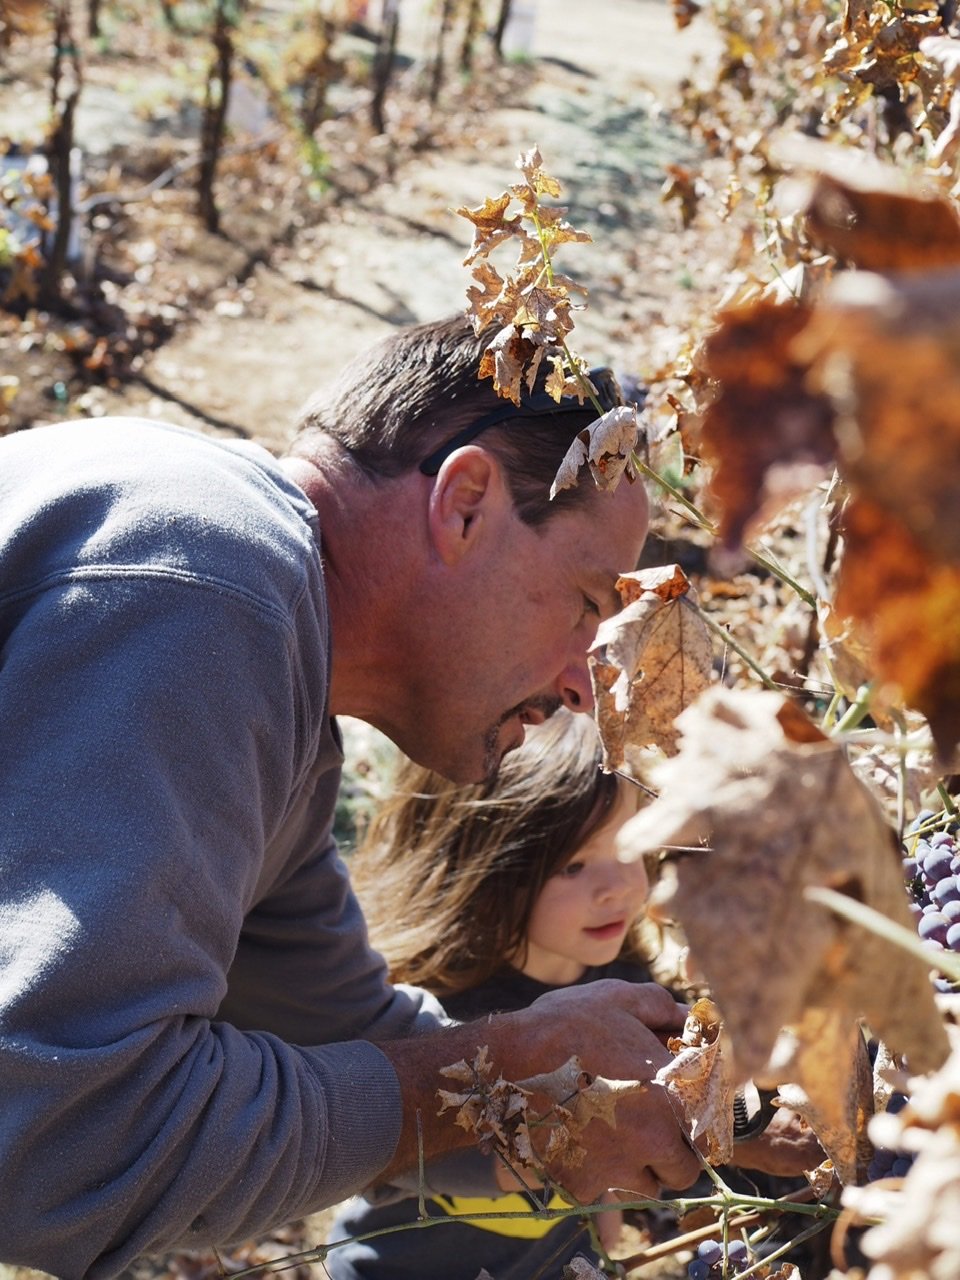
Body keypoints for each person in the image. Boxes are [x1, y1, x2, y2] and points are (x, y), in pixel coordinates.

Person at [0, 315, 801, 1280]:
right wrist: (512, 1068)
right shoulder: (208, 586)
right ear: (464, 506)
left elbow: (347, 1034)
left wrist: (687, 1108)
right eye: (589, 604)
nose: (585, 687)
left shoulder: (283, 712)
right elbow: (59, 1147)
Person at [326, 709, 652, 1280]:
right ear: (490, 862)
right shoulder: (434, 1014)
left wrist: (605, 1208)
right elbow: (377, 1155)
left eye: (631, 848)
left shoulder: (628, 991)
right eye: (574, 865)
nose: (618, 886)